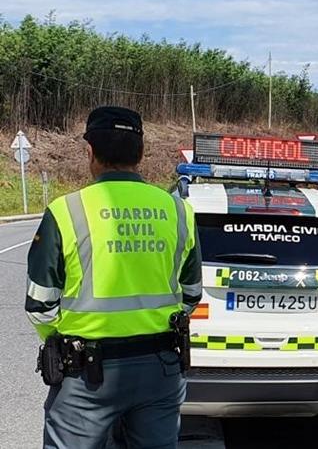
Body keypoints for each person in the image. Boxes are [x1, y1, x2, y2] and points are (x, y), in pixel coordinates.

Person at [25, 106, 202, 449]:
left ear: (90, 151)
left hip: (87, 375)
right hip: (160, 369)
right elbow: (191, 294)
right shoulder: (179, 210)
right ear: (140, 153)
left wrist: (60, 341)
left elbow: (40, 303)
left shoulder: (66, 210)